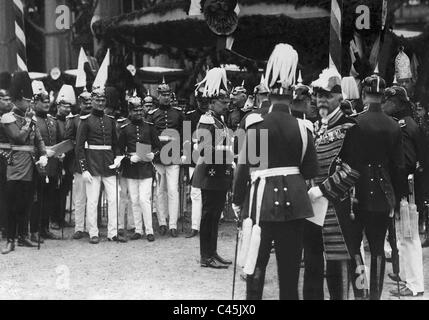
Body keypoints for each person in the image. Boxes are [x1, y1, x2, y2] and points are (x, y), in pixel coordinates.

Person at [233, 43, 319, 300]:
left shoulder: (256, 124)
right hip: (295, 201)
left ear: (268, 93)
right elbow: (308, 171)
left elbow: (244, 168)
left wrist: (238, 201)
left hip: (261, 201)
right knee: (290, 271)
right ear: (292, 94)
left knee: (256, 266)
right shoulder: (305, 128)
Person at [303, 68, 361, 300]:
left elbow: (352, 171)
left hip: (337, 208)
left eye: (326, 95)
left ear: (339, 97)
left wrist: (321, 190)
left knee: (339, 269)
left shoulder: (350, 127)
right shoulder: (315, 127)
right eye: (318, 95)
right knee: (312, 264)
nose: (321, 100)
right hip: (311, 208)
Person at [347, 73, 405, 300]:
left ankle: (360, 294)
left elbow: (345, 161)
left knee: (355, 249)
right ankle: (375, 298)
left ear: (363, 95)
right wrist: (398, 198)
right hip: (383, 193)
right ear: (383, 96)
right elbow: (399, 167)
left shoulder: (354, 122)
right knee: (378, 249)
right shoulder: (393, 125)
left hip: (356, 192)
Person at [382, 84, 426, 297]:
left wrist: (395, 191)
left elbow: (406, 164)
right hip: (407, 189)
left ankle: (415, 284)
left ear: (398, 103)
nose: (384, 105)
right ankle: (408, 276)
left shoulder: (403, 127)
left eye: (387, 101)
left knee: (409, 237)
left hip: (406, 189)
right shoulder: (406, 124)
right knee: (404, 235)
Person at [1, 72, 48, 254]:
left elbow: (39, 140)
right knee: (12, 203)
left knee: (26, 203)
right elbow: (18, 138)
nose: (29, 104)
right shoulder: (8, 118)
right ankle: (10, 239)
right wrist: (28, 121)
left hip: (31, 164)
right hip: (15, 164)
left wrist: (43, 154)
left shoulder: (32, 118)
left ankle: (23, 235)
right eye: (27, 100)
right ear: (18, 100)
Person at [192, 67, 234, 269]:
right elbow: (203, 150)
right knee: (209, 215)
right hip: (210, 175)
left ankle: (212, 252)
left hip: (219, 174)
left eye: (227, 102)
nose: (226, 106)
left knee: (215, 215)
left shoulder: (219, 121)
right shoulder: (207, 120)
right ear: (211, 102)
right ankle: (205, 255)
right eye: (222, 102)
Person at [75, 87, 126, 244]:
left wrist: (118, 158)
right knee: (92, 200)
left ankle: (112, 232)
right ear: (92, 101)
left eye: (103, 100)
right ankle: (93, 232)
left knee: (114, 199)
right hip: (93, 165)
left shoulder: (110, 120)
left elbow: (116, 144)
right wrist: (84, 169)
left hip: (109, 165)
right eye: (97, 100)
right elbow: (79, 147)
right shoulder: (85, 121)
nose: (100, 103)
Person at [118, 95, 160, 242]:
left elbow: (157, 147)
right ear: (129, 111)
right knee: (134, 199)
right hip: (131, 168)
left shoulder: (149, 127)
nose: (138, 113)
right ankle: (138, 229)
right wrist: (129, 158)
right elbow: (119, 150)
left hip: (146, 168)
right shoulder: (124, 129)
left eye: (140, 110)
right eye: (135, 111)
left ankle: (149, 230)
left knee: (144, 199)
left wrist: (152, 155)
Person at [147, 80, 184, 237]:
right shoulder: (151, 114)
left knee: (173, 190)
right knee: (160, 191)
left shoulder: (178, 113)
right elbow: (146, 136)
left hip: (174, 156)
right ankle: (162, 222)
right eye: (163, 95)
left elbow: (185, 135)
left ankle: (173, 224)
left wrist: (184, 153)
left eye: (168, 94)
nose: (166, 98)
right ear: (158, 95)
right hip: (157, 157)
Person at [29, 81, 63, 242]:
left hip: (53, 165)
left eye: (48, 102)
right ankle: (34, 230)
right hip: (37, 164)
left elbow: (58, 140)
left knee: (49, 198)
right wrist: (43, 152)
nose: (47, 105)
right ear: (35, 103)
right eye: (43, 102)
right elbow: (30, 143)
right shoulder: (32, 120)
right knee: (37, 199)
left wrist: (59, 153)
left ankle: (45, 228)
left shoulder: (52, 120)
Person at [65, 88, 92, 239]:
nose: (88, 105)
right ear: (80, 103)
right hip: (78, 163)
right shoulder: (74, 120)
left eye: (90, 102)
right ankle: (79, 227)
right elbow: (68, 140)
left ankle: (90, 225)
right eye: (85, 102)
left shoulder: (96, 118)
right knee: (80, 197)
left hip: (94, 161)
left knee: (93, 197)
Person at [182, 90, 208, 238]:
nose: (203, 104)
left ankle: (207, 224)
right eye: (200, 101)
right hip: (194, 159)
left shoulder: (215, 117)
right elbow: (186, 138)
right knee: (195, 193)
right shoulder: (190, 116)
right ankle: (195, 226)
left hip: (212, 159)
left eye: (205, 101)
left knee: (208, 193)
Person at [54, 85, 75, 230]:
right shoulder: (53, 121)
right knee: (55, 191)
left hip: (68, 161)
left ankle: (61, 218)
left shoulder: (70, 121)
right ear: (58, 106)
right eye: (64, 106)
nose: (67, 109)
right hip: (56, 160)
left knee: (65, 190)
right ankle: (54, 218)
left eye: (69, 106)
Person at [0, 74, 12, 239]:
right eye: (4, 99)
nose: (8, 102)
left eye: (9, 99)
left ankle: (5, 225)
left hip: (8, 159)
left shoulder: (10, 117)